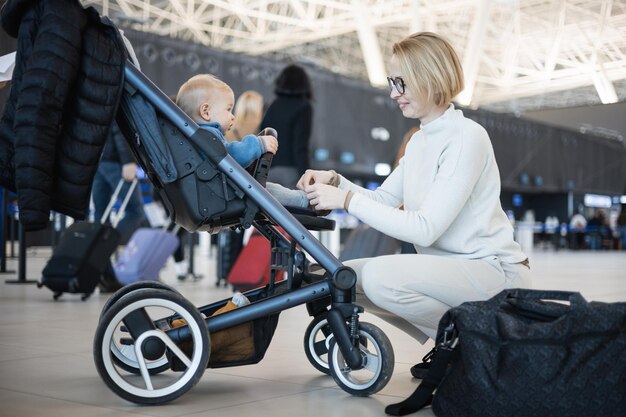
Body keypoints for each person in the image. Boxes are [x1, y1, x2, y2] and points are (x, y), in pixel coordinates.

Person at [297, 32, 531, 378]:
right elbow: (385, 200)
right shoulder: (421, 142)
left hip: (493, 270)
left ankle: (473, 345)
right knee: (341, 275)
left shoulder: (467, 137)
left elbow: (425, 227)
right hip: (453, 270)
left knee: (377, 277)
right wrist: (337, 182)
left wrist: (346, 200)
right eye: (393, 83)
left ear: (429, 78)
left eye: (401, 83)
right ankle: (458, 345)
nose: (394, 94)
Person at [175, 74, 310, 209]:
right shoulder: (207, 136)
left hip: (216, 190)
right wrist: (258, 144)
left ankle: (302, 199)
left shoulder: (195, 137)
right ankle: (305, 201)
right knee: (267, 191)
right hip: (226, 193)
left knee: (270, 188)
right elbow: (230, 155)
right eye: (228, 109)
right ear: (206, 112)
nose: (232, 116)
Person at [91, 121, 146, 291]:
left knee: (101, 218)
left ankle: (105, 275)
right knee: (136, 212)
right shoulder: (115, 93)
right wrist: (128, 160)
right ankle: (101, 251)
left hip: (97, 159)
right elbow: (119, 125)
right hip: (115, 160)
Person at [260, 64, 313, 187]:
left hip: (268, 170)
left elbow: (263, 134)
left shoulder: (273, 105)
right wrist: (306, 175)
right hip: (291, 172)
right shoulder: (304, 106)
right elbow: (300, 145)